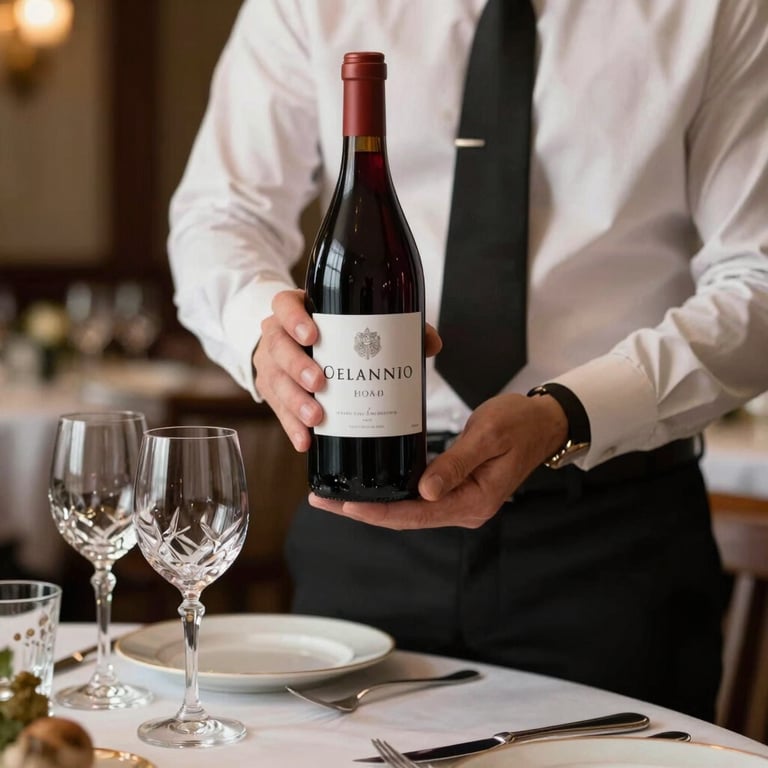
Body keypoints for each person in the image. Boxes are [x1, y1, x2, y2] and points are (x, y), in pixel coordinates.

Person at [167, 0, 768, 722]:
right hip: (361, 523)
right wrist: (266, 331)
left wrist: (567, 414)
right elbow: (218, 216)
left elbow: (758, 279)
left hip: (613, 544)